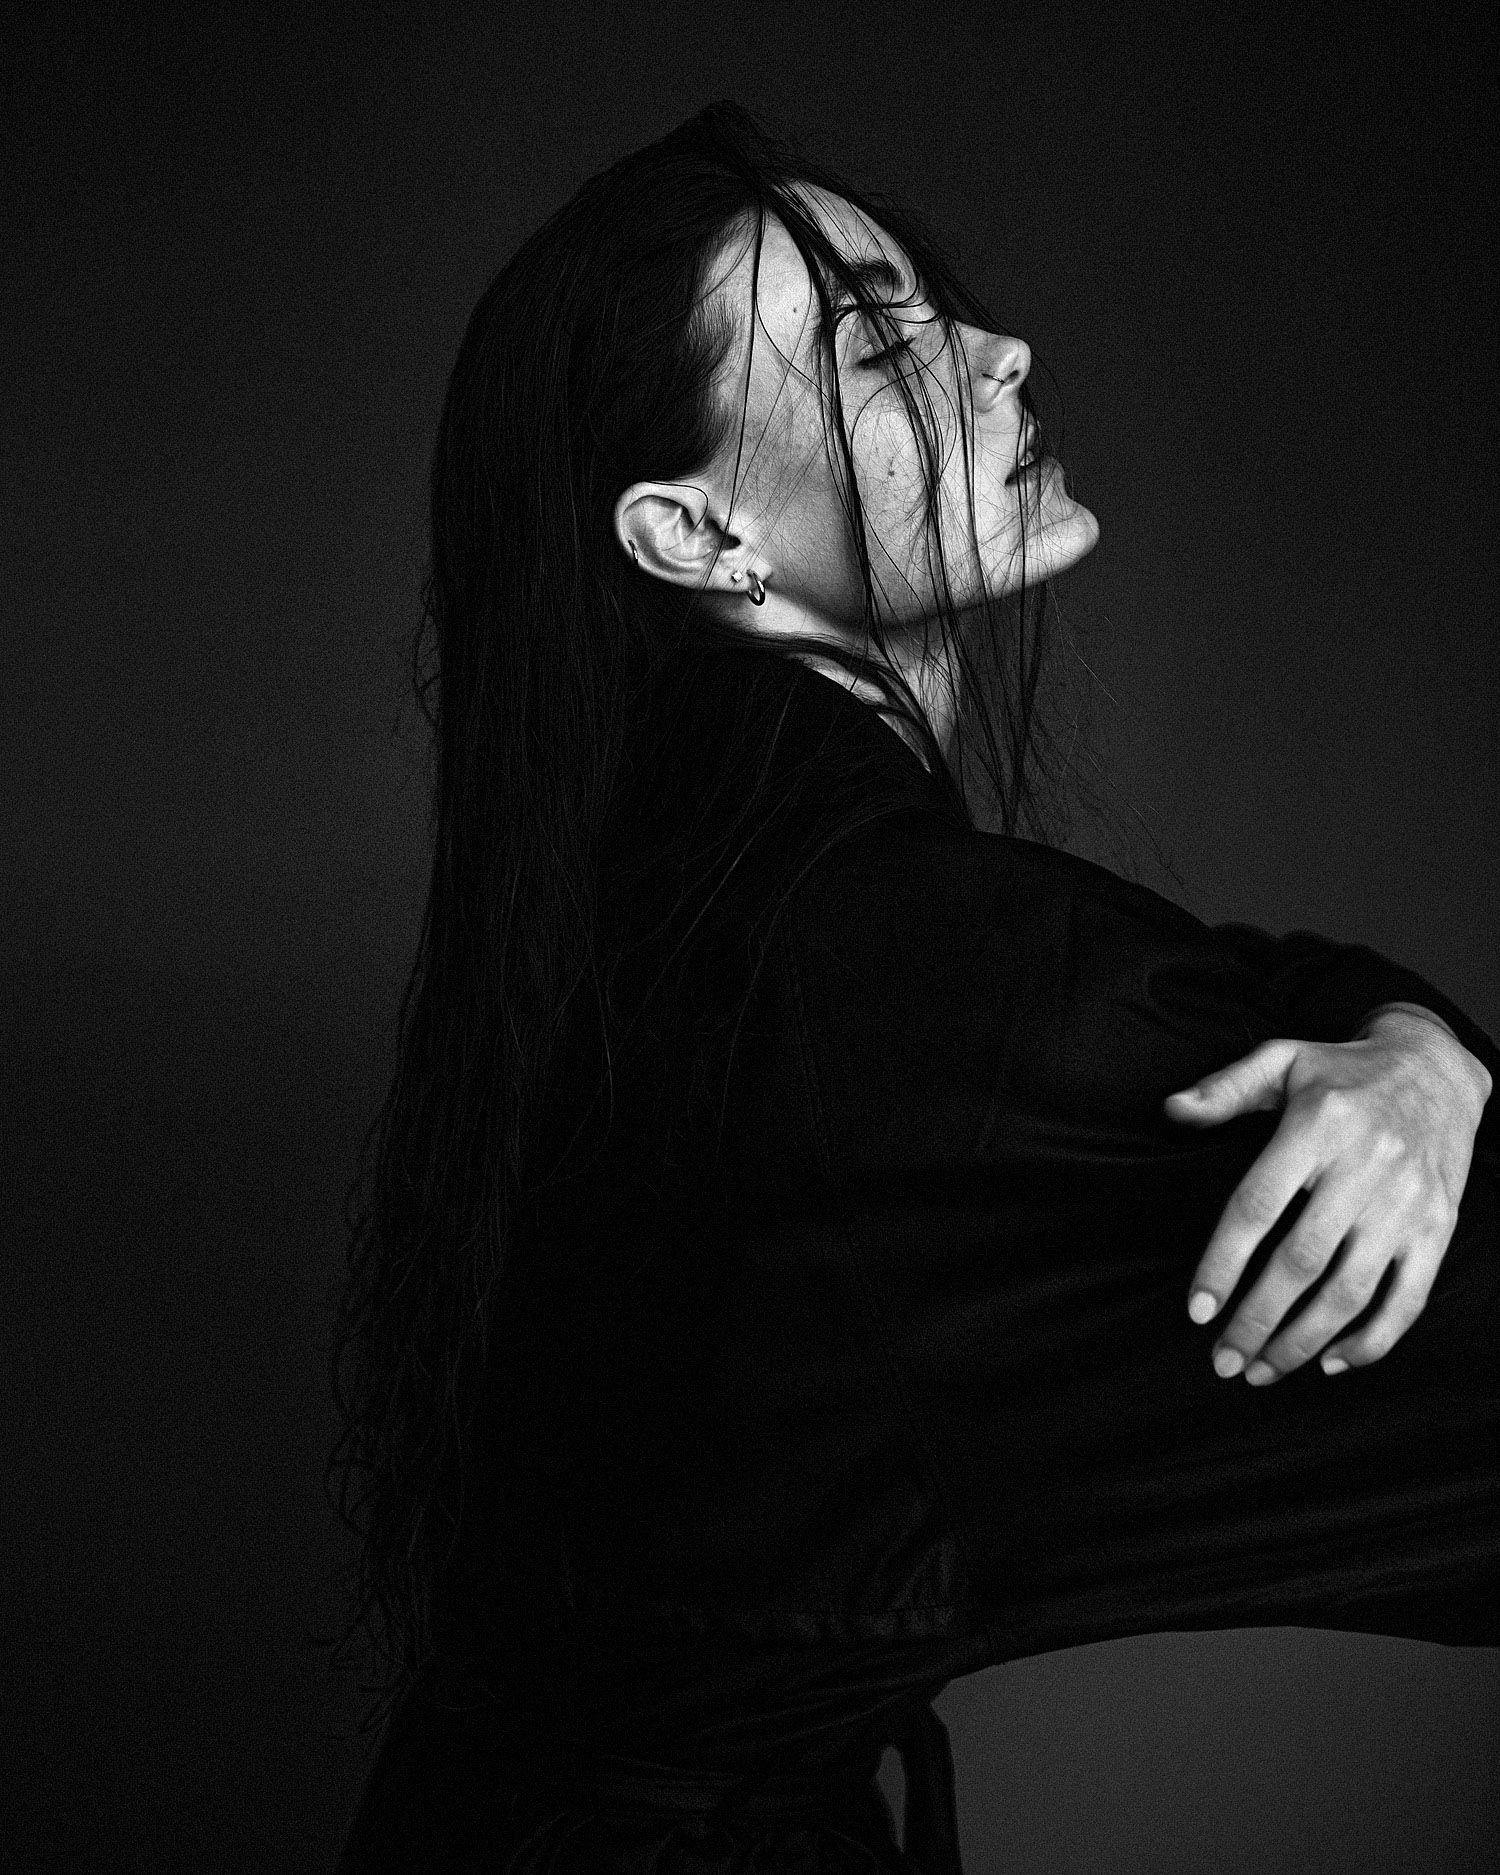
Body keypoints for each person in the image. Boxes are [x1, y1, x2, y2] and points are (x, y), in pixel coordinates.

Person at [327, 102, 1498, 1872]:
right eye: (877, 349)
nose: (1001, 351)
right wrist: (1426, 1057)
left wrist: (1412, 1048)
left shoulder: (678, 895)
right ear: (696, 535)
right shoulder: (879, 964)